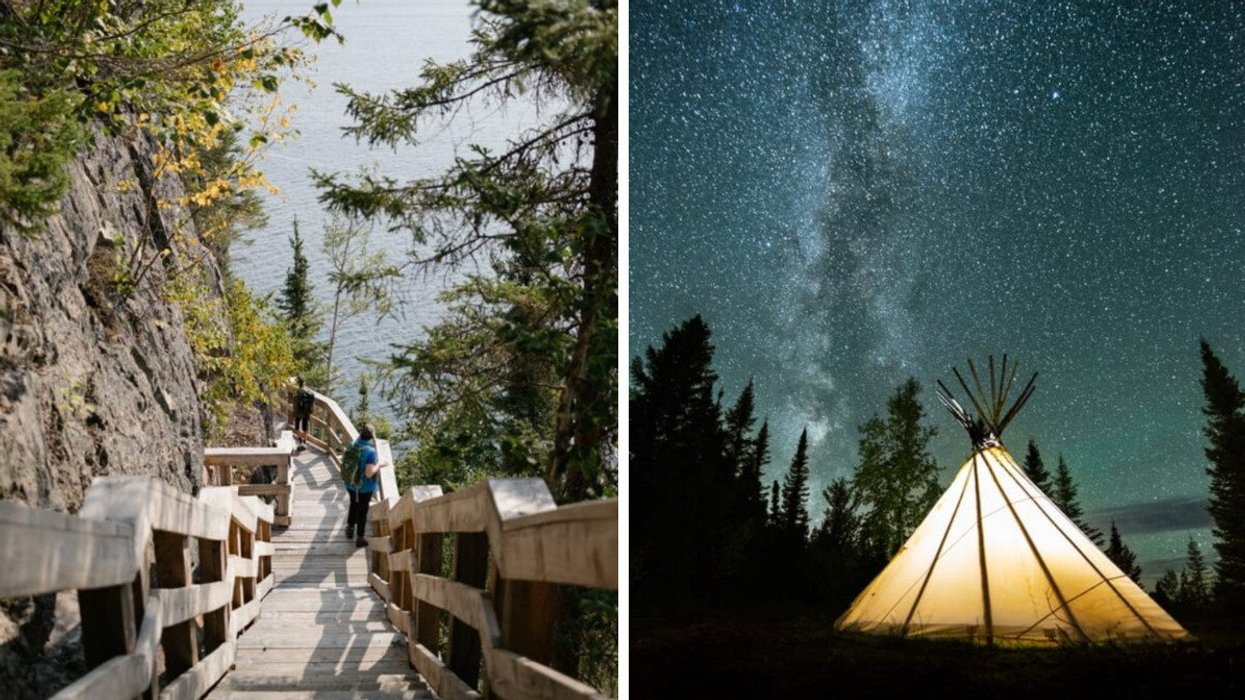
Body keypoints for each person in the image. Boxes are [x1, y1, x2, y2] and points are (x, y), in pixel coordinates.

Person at [344, 423, 381, 547]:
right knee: (362, 510)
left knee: (353, 504)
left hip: (350, 483)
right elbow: (369, 473)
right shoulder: (370, 451)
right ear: (372, 436)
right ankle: (360, 537)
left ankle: (350, 529)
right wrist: (379, 465)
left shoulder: (352, 445)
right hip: (364, 487)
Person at [293, 378, 314, 452]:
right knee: (305, 427)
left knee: (297, 427)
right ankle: (304, 441)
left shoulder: (298, 391)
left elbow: (295, 404)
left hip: (299, 412)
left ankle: (300, 441)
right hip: (306, 412)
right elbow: (312, 401)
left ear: (298, 384)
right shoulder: (308, 391)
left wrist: (294, 414)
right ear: (304, 383)